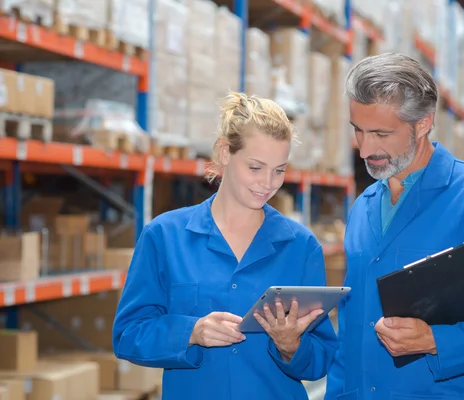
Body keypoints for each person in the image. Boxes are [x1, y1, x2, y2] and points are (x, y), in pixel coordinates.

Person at [324, 53, 464, 400]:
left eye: (381, 133)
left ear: (423, 123)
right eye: (358, 131)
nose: (366, 148)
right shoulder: (362, 207)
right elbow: (351, 332)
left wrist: (437, 341)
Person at [112, 92, 337, 399]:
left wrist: (291, 345)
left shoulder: (300, 246)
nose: (268, 183)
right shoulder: (164, 236)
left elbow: (322, 358)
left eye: (279, 170)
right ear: (225, 152)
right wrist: (190, 332)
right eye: (255, 168)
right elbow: (128, 334)